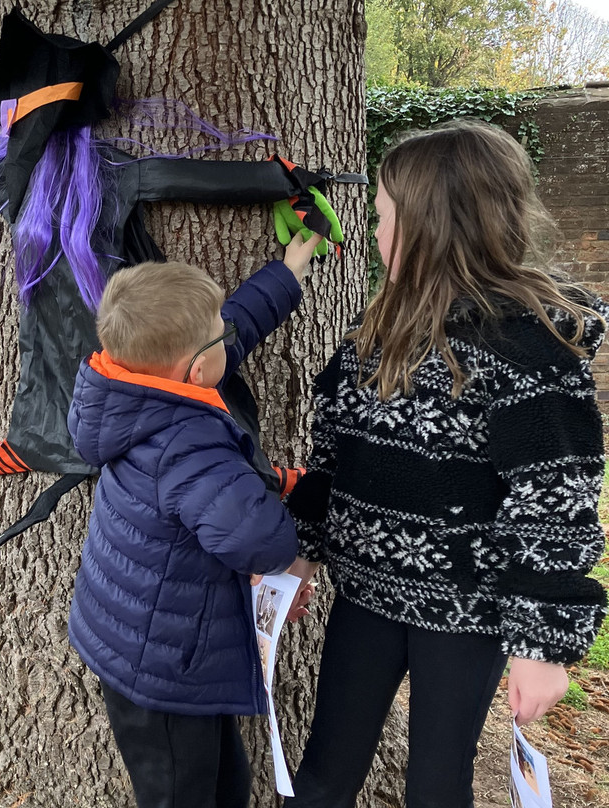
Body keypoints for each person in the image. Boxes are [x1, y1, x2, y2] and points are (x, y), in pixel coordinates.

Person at [282, 119, 609, 808]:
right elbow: (331, 456)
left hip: (467, 613)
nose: (372, 233)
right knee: (322, 773)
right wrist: (304, 549)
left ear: (432, 226)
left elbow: (554, 504)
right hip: (365, 596)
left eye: (382, 218)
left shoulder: (530, 356)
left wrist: (542, 643)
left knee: (437, 783)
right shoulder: (372, 338)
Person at [66, 231, 322, 808]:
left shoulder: (129, 390)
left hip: (145, 644)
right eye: (219, 337)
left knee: (224, 783)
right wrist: (302, 533)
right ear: (200, 370)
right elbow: (260, 538)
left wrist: (287, 273)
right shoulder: (189, 442)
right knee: (182, 792)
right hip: (163, 673)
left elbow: (230, 326)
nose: (229, 334)